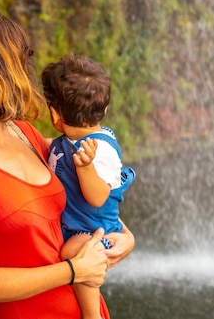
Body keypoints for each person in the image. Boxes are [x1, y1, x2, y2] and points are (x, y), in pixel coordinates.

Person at [0, 10, 134, 319]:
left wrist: (124, 235)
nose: (25, 69)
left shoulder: (21, 131)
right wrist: (73, 270)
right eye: (17, 60)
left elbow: (85, 192)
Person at [41, 54, 136, 319]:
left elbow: (98, 197)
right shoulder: (69, 140)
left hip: (93, 230)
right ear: (103, 110)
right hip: (76, 222)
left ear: (54, 114)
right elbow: (52, 148)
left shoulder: (99, 151)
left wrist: (85, 169)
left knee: (75, 251)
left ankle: (91, 314)